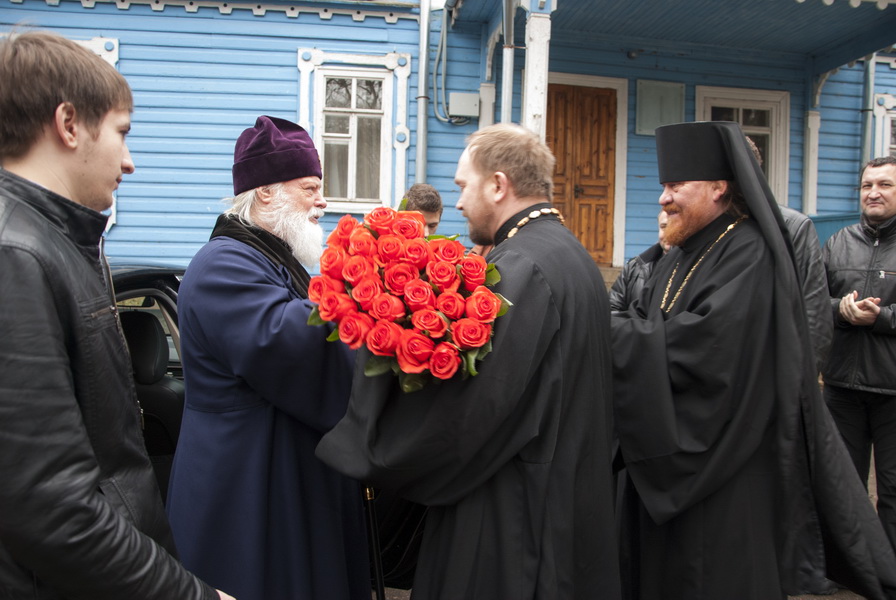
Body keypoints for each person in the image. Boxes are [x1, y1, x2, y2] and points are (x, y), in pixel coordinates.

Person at [316, 123, 622, 600]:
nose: (457, 203)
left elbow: (476, 409)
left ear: (499, 185)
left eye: (463, 187)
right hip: (563, 503)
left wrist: (372, 430)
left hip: (513, 520)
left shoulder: (523, 266)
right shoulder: (571, 253)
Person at [612, 121, 896, 600]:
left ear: (719, 187)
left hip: (723, 472)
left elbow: (706, 352)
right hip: (676, 461)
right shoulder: (683, 250)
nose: (663, 198)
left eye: (675, 186)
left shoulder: (749, 253)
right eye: (663, 186)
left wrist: (610, 334)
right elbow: (652, 322)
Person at [0, 31, 231, 600]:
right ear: (69, 123)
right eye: (122, 133)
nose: (128, 162)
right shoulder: (17, 254)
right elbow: (51, 505)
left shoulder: (58, 239)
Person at [165, 116, 369, 600]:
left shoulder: (270, 258)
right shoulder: (222, 264)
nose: (323, 201)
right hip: (244, 490)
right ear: (265, 193)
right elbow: (285, 342)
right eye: (310, 188)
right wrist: (369, 301)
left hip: (277, 476)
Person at [822, 155, 896, 554]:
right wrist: (840, 310)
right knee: (841, 485)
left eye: (884, 185)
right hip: (841, 387)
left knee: (893, 487)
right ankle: (845, 567)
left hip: (892, 391)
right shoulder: (838, 242)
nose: (873, 192)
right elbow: (811, 300)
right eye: (867, 185)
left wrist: (880, 317)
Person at [608, 210, 670, 311]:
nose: (668, 233)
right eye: (663, 227)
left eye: (674, 226)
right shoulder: (634, 267)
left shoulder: (695, 269)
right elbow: (612, 309)